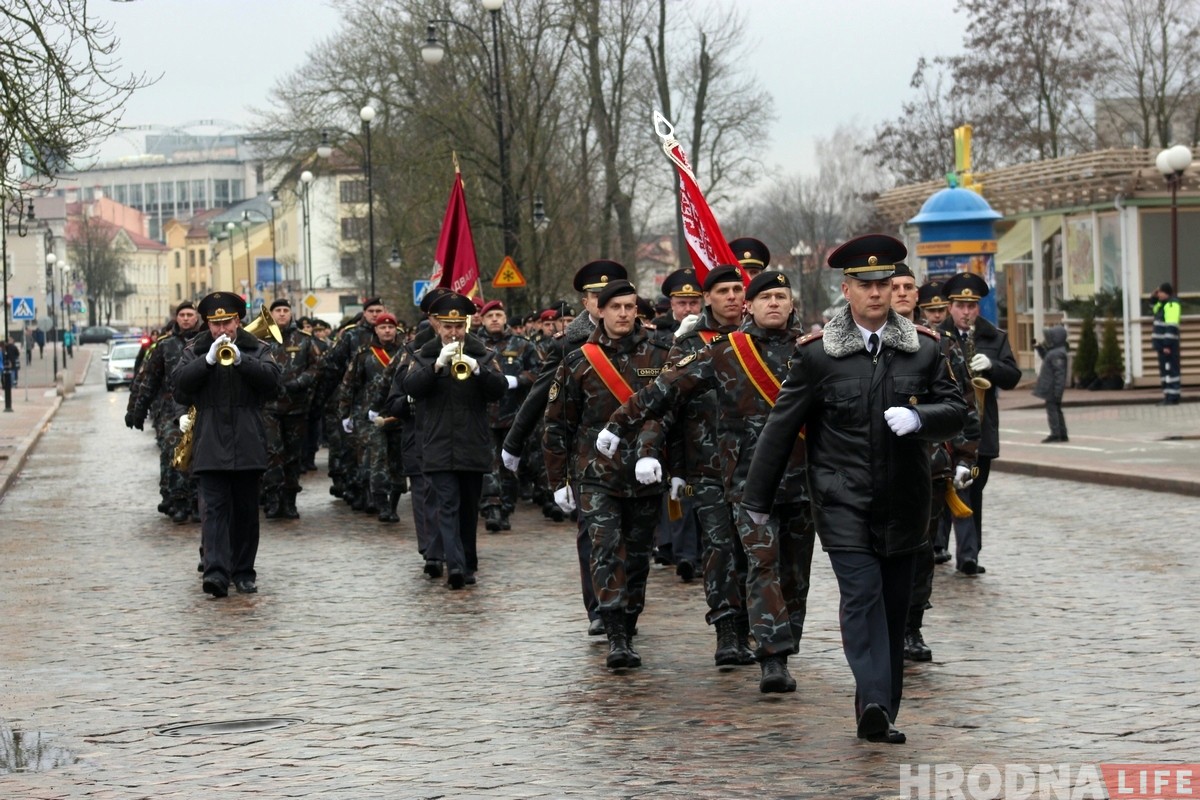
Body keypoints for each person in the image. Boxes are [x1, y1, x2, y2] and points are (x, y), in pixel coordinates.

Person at [741, 234, 966, 744]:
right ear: (847, 289)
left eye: (884, 284)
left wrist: (919, 416)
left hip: (906, 501)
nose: (876, 293)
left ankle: (877, 706)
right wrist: (756, 501)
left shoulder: (925, 350)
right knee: (861, 597)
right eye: (865, 285)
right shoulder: (820, 356)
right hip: (842, 500)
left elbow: (957, 411)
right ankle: (877, 704)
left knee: (892, 604)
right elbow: (781, 427)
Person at [602, 270, 812, 689]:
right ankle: (773, 657)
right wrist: (619, 423)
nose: (774, 303)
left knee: (794, 571)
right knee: (761, 562)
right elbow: (665, 388)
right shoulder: (725, 351)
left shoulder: (815, 352)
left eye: (781, 297)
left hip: (803, 481)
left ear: (792, 305)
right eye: (765, 297)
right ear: (750, 307)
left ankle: (785, 638)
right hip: (746, 483)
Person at [544, 279, 673, 670]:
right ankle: (615, 632)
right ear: (599, 310)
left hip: (645, 475)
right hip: (596, 475)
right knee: (604, 549)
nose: (622, 314)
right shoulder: (578, 359)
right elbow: (557, 424)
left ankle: (629, 624)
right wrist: (557, 481)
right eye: (614, 306)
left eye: (629, 307)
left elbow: (670, 410)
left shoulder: (660, 352)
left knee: (636, 557)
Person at [503, 260, 630, 635]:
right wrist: (514, 441)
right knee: (594, 533)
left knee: (635, 537)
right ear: (586, 301)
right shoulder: (569, 343)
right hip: (587, 454)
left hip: (635, 453)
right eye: (593, 296)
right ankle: (599, 608)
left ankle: (626, 605)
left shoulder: (641, 338)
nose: (600, 303)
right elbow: (540, 396)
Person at [173, 292, 282, 597]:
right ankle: (216, 573)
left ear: (238, 321)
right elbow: (179, 387)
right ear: (207, 324)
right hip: (209, 441)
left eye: (227, 322)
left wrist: (241, 359)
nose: (222, 330)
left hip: (247, 441)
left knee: (246, 512)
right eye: (215, 324)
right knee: (213, 512)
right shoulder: (194, 351)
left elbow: (273, 383)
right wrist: (206, 362)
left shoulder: (257, 348)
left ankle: (244, 572)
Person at [401, 293, 507, 588]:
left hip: (472, 442)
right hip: (437, 443)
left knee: (468, 509)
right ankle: (456, 567)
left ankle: (468, 562)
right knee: (446, 505)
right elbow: (409, 387)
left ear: (467, 325)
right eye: (447, 326)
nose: (453, 333)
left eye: (458, 326)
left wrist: (478, 370)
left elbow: (499, 389)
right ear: (436, 325)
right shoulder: (423, 354)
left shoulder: (483, 352)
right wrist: (435, 367)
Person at [900, 278, 980, 663]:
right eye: (889, 284)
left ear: (917, 295)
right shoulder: (846, 342)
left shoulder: (937, 344)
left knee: (921, 551)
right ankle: (882, 624)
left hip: (927, 467)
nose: (898, 293)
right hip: (864, 470)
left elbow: (963, 403)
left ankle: (912, 625)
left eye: (905, 286)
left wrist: (965, 458)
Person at [937, 271, 1021, 576]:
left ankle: (970, 552)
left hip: (981, 428)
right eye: (960, 305)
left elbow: (1013, 377)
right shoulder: (937, 336)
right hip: (947, 427)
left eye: (972, 306)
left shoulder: (993, 337)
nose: (966, 312)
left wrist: (993, 366)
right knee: (947, 488)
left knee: (974, 488)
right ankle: (948, 548)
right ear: (950, 307)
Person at [126, 301, 204, 523]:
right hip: (169, 409)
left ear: (196, 318)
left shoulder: (206, 342)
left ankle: (197, 501)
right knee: (175, 451)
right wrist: (137, 411)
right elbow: (149, 380)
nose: (186, 318)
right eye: (182, 315)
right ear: (176, 318)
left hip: (199, 407)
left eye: (190, 314)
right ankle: (178, 501)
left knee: (200, 454)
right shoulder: (165, 346)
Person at [477, 300, 538, 532]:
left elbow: (540, 371)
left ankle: (506, 508)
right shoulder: (475, 344)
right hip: (483, 415)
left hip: (513, 416)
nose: (495, 319)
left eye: (499, 315)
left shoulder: (522, 345)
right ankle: (492, 507)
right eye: (490, 315)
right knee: (487, 463)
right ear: (482, 320)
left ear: (505, 318)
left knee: (509, 465)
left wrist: (519, 380)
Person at [338, 312, 404, 520]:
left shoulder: (406, 353)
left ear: (396, 330)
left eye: (391, 327)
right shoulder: (365, 354)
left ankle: (393, 504)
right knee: (378, 459)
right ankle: (381, 504)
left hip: (398, 415)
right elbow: (349, 385)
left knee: (397, 461)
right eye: (382, 327)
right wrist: (345, 413)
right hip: (370, 417)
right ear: (375, 330)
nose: (387, 330)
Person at [261, 299, 322, 520]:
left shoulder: (304, 340)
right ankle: (273, 500)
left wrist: (301, 381)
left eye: (286, 310)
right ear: (271, 314)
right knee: (272, 453)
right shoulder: (261, 339)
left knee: (293, 455)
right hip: (269, 407)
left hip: (296, 406)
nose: (282, 314)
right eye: (278, 311)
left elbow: (316, 367)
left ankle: (290, 501)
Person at [1034, 324, 1069, 442]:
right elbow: (1047, 357)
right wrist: (1039, 348)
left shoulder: (1057, 354)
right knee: (1056, 409)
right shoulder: (1055, 352)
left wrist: (1058, 391)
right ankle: (1062, 433)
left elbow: (1060, 374)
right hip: (1052, 387)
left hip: (1052, 387)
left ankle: (1056, 433)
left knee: (1052, 410)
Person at [1151, 282, 1182, 406]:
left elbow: (1171, 326)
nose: (1158, 294)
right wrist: (1153, 296)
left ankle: (1172, 397)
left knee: (1170, 371)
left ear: (1166, 292)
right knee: (1165, 372)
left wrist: (1167, 345)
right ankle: (1168, 395)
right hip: (1162, 346)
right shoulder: (1163, 304)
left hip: (1168, 346)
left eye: (1160, 292)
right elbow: (1154, 308)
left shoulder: (1171, 305)